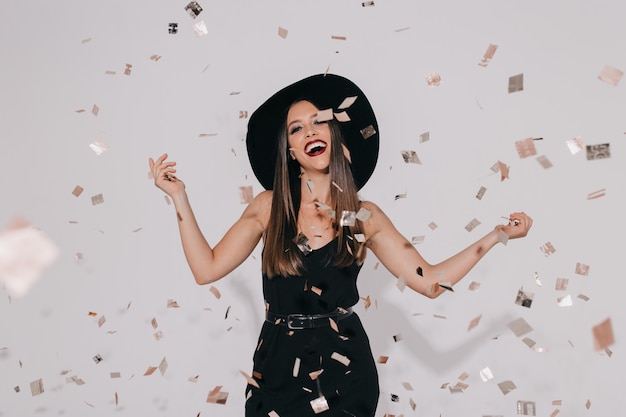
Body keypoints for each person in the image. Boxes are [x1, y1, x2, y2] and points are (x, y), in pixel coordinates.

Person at [148, 74, 532, 417]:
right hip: (277, 368)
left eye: (318, 122)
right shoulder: (269, 207)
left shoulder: (365, 215)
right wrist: (179, 198)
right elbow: (206, 269)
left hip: (345, 372)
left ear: (334, 135)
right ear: (291, 152)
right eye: (296, 129)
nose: (310, 131)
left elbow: (431, 282)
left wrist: (498, 235)